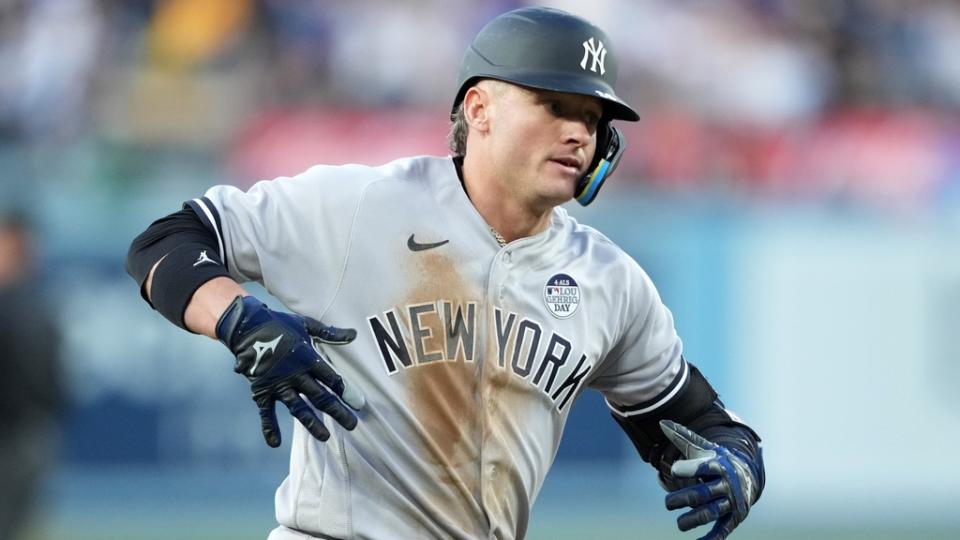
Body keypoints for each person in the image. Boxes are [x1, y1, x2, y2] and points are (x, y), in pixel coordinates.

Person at [126, 7, 764, 540]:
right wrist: (238, 319)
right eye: (553, 105)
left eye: (593, 119)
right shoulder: (361, 206)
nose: (578, 132)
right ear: (479, 109)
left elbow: (693, 420)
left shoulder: (610, 281)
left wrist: (739, 462)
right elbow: (166, 242)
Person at [0, 212, 63, 540]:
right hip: (8, 432)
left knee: (20, 522)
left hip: (31, 431)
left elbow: (51, 373)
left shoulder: (37, 302)